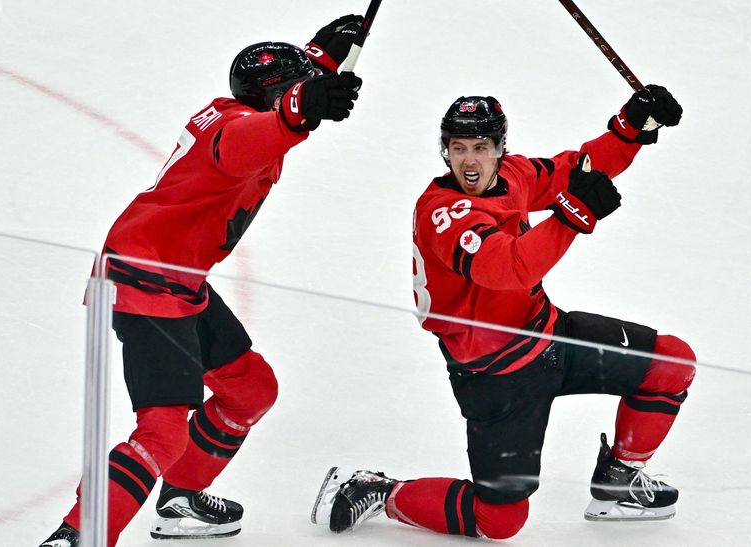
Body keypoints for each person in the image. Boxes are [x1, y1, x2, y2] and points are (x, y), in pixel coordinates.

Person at [39, 14, 364, 547]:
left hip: (177, 280)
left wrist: (321, 58)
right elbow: (250, 140)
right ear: (276, 98)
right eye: (295, 88)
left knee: (252, 390)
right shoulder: (236, 130)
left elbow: (279, 104)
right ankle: (76, 536)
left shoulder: (248, 106)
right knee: (163, 431)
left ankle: (180, 499)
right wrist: (304, 106)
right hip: (144, 282)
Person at [312, 88, 697, 539]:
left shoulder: (514, 175)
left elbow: (581, 168)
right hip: (496, 375)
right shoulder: (443, 212)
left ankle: (619, 480)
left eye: (480, 148)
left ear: (500, 149)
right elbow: (506, 267)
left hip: (553, 338)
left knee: (671, 364)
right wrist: (572, 215)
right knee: (499, 521)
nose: (469, 161)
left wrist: (631, 128)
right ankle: (381, 490)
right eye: (457, 148)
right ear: (445, 151)